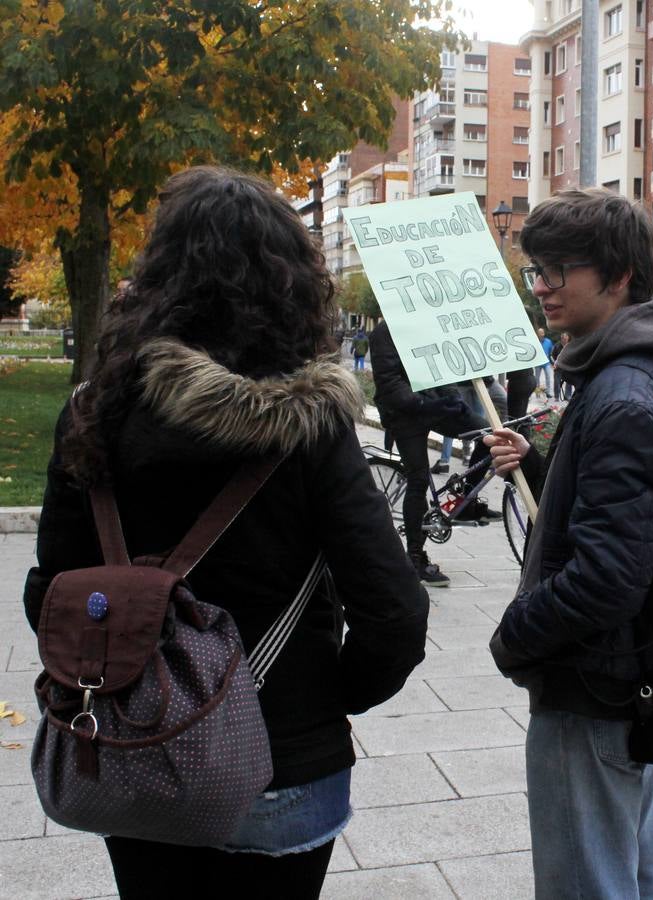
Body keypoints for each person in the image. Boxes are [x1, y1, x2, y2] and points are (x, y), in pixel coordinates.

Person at [22, 166, 429, 900]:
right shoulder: (314, 425)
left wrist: (123, 667)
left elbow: (49, 594)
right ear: (291, 283)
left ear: (159, 276)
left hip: (136, 747)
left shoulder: (95, 410)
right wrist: (326, 698)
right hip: (284, 751)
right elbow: (393, 611)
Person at [484, 188, 653, 900]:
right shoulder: (634, 372)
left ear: (617, 276)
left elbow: (608, 577)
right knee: (629, 870)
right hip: (624, 677)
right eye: (536, 270)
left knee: (587, 882)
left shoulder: (620, 394)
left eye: (557, 270)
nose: (542, 286)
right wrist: (542, 464)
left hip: (593, 684)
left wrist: (515, 634)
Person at [369, 319, 501, 587]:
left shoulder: (426, 324)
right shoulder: (384, 332)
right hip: (404, 413)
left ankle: (465, 502)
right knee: (418, 479)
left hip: (432, 404)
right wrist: (424, 404)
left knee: (488, 435)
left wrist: (454, 401)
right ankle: (415, 558)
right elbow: (389, 384)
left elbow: (441, 370)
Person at [550, 332, 572, 401]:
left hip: (568, 368)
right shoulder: (557, 346)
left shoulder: (571, 345)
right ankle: (556, 397)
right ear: (561, 338)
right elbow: (551, 356)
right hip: (558, 368)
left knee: (570, 382)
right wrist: (553, 363)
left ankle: (567, 396)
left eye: (566, 338)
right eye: (563, 338)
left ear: (568, 338)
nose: (564, 339)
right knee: (557, 382)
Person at [535, 327, 554, 397]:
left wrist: (552, 363)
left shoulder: (548, 341)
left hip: (546, 363)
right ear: (537, 334)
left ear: (544, 333)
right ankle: (537, 393)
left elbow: (551, 352)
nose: (541, 334)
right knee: (537, 379)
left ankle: (548, 392)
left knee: (548, 377)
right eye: (539, 333)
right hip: (538, 363)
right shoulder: (535, 342)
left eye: (542, 332)